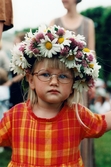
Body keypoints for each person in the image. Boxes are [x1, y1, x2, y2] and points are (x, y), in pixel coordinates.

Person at [0, 25, 111, 167]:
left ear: (73, 85)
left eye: (63, 76)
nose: (54, 82)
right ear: (31, 80)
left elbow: (103, 122)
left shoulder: (78, 115)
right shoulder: (15, 116)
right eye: (45, 74)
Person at [49, 1, 96, 166]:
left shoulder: (88, 23)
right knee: (60, 123)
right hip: (60, 84)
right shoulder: (55, 22)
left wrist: (92, 84)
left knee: (81, 122)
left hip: (80, 85)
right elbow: (50, 57)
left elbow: (92, 55)